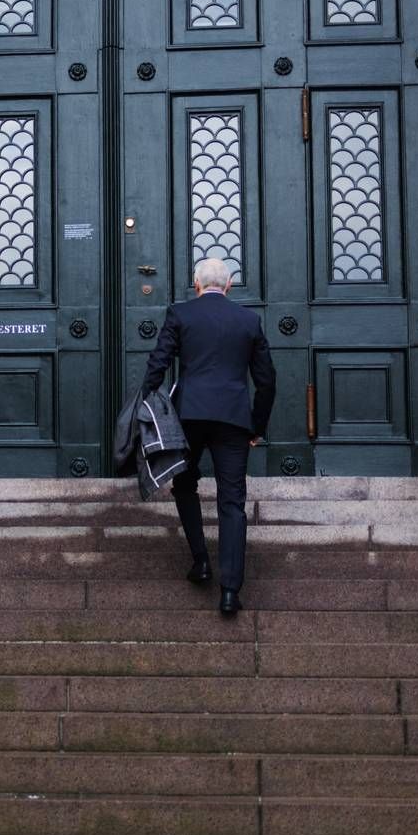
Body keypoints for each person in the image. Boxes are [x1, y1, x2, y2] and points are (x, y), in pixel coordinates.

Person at [140, 257, 277, 615]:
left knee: (184, 486)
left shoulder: (181, 314)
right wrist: (256, 426)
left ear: (196, 285)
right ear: (229, 286)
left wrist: (146, 406)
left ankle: (200, 560)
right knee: (232, 501)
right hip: (233, 419)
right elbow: (266, 381)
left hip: (188, 416)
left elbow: (158, 363)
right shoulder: (249, 320)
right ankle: (230, 591)